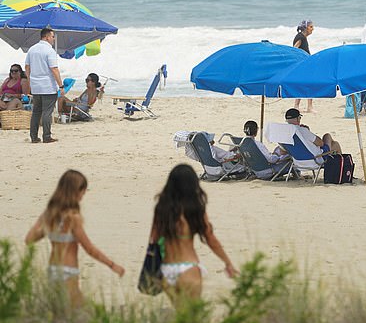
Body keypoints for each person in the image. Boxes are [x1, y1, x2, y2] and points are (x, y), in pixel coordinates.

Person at [24, 170, 125, 308]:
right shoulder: (73, 218)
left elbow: (29, 239)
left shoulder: (48, 214)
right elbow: (89, 249)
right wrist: (112, 265)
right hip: (68, 271)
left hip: (53, 270)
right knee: (79, 314)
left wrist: (49, 229)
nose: (84, 195)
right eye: (83, 191)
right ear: (76, 191)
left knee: (59, 313)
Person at [150, 164, 238, 307]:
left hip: (166, 270)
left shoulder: (162, 208)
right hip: (188, 268)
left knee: (180, 316)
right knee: (192, 319)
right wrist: (227, 262)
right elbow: (210, 239)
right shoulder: (195, 208)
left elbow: (154, 239)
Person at [25, 28, 65, 143]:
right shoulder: (49, 51)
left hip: (36, 86)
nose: (53, 39)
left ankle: (33, 137)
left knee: (36, 112)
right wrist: (61, 86)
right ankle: (46, 136)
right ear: (47, 37)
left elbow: (27, 67)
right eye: (52, 37)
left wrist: (30, 80)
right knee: (47, 112)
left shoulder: (32, 49)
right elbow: (54, 69)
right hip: (47, 86)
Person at [292, 19, 315, 113]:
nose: (313, 29)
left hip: (305, 64)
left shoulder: (303, 37)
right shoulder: (300, 37)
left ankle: (298, 106)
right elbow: (294, 50)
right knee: (309, 84)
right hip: (302, 65)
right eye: (311, 27)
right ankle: (308, 107)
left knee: (304, 84)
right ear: (305, 28)